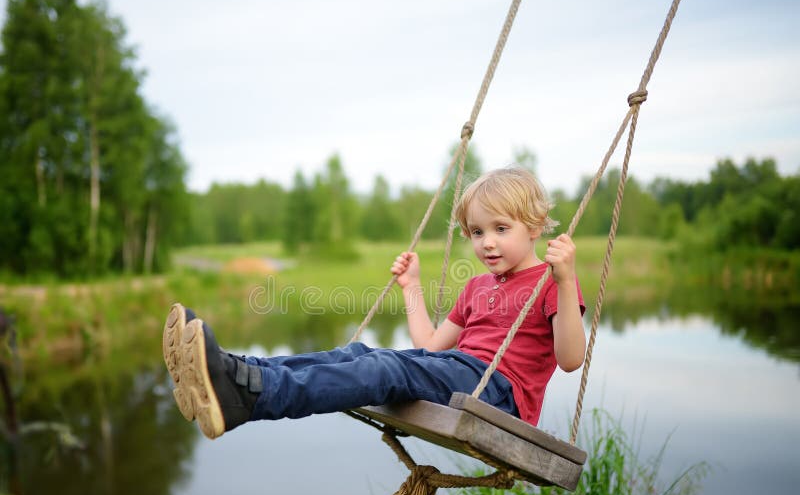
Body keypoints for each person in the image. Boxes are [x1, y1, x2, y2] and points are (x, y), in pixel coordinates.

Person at [162, 166, 586, 440]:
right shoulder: (476, 286)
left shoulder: (549, 283)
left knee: (385, 368)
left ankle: (254, 397)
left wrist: (566, 281)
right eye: (476, 232)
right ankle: (235, 372)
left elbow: (569, 359)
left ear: (533, 227)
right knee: (357, 353)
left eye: (500, 228)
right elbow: (432, 347)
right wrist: (411, 286)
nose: (487, 242)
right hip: (458, 373)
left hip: (496, 394)